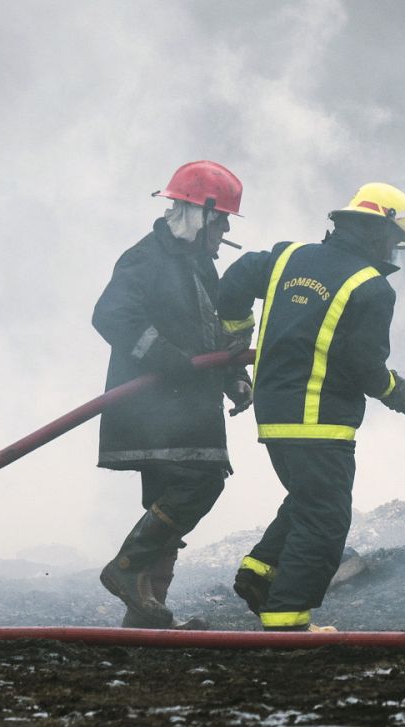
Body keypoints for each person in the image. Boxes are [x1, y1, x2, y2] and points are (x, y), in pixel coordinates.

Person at [215, 183, 405, 631]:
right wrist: (395, 390)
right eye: (393, 240)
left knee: (311, 501)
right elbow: (364, 366)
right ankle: (287, 620)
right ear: (377, 232)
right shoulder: (372, 289)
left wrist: (238, 331)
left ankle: (259, 575)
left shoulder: (287, 257)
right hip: (319, 422)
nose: (394, 250)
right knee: (326, 520)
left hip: (273, 414)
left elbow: (234, 280)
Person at [92, 161, 251, 629]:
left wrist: (233, 379)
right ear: (197, 214)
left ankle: (144, 617)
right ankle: (125, 570)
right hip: (154, 410)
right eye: (220, 219)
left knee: (166, 506)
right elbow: (111, 316)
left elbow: (210, 333)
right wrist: (165, 358)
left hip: (185, 408)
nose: (223, 230)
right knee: (200, 483)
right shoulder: (145, 258)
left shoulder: (199, 267)